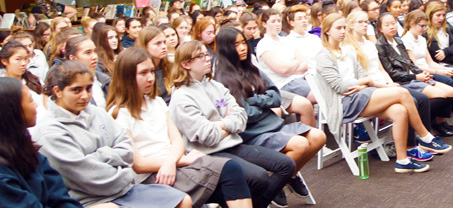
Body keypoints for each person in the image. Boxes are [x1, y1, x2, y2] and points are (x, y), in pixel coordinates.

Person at [34, 60, 192, 207]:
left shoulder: (96, 112)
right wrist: (118, 166)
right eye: (76, 90)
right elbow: (87, 176)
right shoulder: (50, 131)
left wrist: (99, 156)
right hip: (88, 198)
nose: (85, 95)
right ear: (58, 91)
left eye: (88, 88)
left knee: (183, 201)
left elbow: (127, 149)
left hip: (125, 190)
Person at [107, 48, 252, 208]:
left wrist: (172, 162)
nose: (150, 78)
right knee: (229, 173)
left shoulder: (156, 102)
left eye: (152, 72)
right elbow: (138, 164)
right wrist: (178, 162)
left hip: (174, 163)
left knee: (232, 171)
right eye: (143, 73)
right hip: (152, 175)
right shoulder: (119, 113)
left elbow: (177, 141)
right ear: (127, 77)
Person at [316, 14, 451, 174]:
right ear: (327, 32)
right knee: (402, 93)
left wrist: (366, 84)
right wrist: (365, 83)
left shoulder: (347, 51)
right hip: (343, 103)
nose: (343, 31)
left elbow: (361, 76)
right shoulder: (324, 56)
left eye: (344, 27)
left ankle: (402, 161)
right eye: (338, 28)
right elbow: (340, 87)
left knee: (400, 111)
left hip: (359, 96)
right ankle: (426, 137)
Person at [168, 41, 296, 208]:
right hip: (210, 153)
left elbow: (241, 117)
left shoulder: (216, 86)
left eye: (207, 54)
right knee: (258, 177)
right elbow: (208, 137)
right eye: (200, 56)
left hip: (234, 144)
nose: (207, 59)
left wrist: (220, 124)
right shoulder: (181, 97)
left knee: (286, 165)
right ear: (185, 64)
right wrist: (229, 123)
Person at [215, 28, 325, 207]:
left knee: (318, 136)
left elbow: (275, 97)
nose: (243, 48)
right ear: (226, 48)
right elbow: (246, 115)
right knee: (301, 144)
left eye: (243, 42)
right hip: (253, 135)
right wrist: (262, 106)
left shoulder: (250, 68)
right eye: (236, 45)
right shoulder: (222, 79)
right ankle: (269, 192)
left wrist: (255, 100)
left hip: (273, 126)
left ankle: (286, 178)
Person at [344, 11, 450, 156]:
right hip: (372, 88)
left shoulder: (369, 44)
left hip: (384, 84)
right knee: (412, 100)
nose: (365, 25)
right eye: (360, 22)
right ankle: (413, 145)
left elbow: (381, 69)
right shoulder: (349, 48)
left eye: (366, 22)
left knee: (423, 99)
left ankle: (420, 141)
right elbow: (363, 78)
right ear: (351, 25)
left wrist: (390, 82)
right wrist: (386, 86)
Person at [0, 77, 83, 207]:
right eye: (30, 100)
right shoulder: (2, 173)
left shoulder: (30, 153)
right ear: (13, 110)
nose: (36, 105)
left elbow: (61, 197)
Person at [0, 41, 46, 123]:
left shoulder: (34, 80)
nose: (23, 63)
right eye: (18, 59)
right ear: (4, 61)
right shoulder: (3, 87)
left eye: (26, 59)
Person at [64, 36, 111, 108]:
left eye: (95, 51)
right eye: (88, 52)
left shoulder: (105, 80)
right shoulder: (66, 86)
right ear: (73, 58)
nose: (94, 56)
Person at [135, 27, 173, 104]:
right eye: (157, 43)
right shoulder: (137, 70)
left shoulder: (171, 66)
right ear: (145, 46)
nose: (163, 47)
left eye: (164, 42)